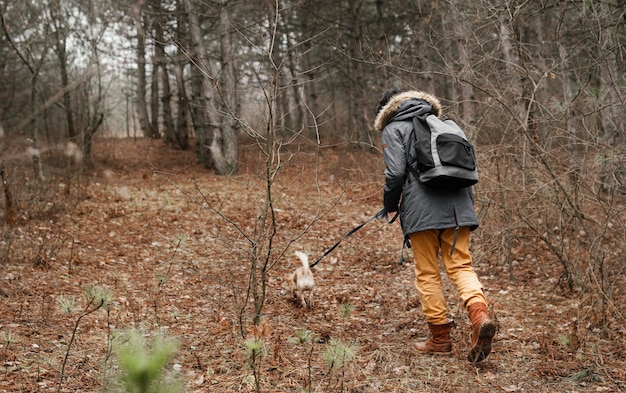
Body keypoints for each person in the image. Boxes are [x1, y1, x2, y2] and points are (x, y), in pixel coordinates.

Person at [375, 88, 496, 363]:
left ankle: (440, 339)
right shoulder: (445, 123)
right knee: (461, 266)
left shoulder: (393, 128)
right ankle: (480, 317)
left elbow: (395, 173)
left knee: (428, 273)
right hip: (458, 208)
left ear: (387, 109)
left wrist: (390, 204)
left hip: (422, 211)